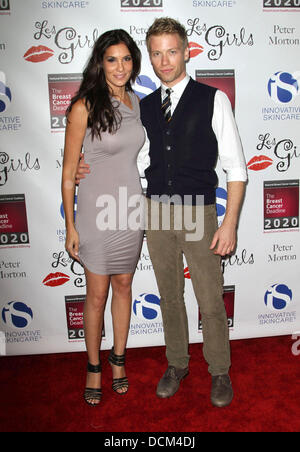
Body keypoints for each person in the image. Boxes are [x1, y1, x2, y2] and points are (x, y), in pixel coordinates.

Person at [76, 17, 247, 408]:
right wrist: (86, 168)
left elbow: (236, 168)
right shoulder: (142, 105)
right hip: (155, 212)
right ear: (149, 57)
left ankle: (219, 370)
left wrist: (230, 223)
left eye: (172, 51)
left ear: (187, 51)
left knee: (209, 298)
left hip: (198, 212)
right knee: (169, 296)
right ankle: (177, 364)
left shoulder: (212, 99)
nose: (165, 60)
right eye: (156, 53)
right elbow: (131, 160)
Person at [61, 29, 145, 407]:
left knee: (124, 286)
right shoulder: (84, 106)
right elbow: (67, 172)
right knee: (96, 295)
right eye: (112, 59)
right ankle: (93, 366)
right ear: (100, 62)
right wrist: (70, 226)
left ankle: (118, 360)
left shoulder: (136, 102)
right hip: (95, 212)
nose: (120, 67)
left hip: (130, 209)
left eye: (126, 59)